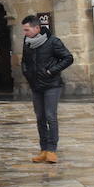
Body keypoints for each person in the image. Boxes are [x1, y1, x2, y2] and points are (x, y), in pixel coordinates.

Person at [20, 16, 74, 164]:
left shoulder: (53, 41)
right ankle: (43, 149)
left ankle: (52, 150)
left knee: (51, 116)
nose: (25, 33)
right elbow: (24, 61)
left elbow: (68, 58)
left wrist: (51, 71)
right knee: (40, 118)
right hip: (36, 85)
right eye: (24, 30)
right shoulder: (27, 42)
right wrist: (27, 75)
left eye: (27, 29)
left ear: (37, 28)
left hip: (52, 85)